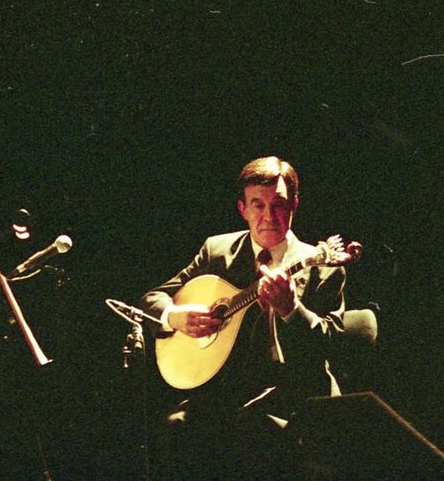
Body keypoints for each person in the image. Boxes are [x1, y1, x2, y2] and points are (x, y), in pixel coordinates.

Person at [141, 155, 347, 479]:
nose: (268, 216)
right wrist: (174, 316)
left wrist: (291, 308)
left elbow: (329, 344)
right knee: (172, 431)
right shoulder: (217, 251)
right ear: (243, 209)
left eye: (278, 204)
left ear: (294, 204)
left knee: (253, 436)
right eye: (258, 205)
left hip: (290, 397)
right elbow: (153, 299)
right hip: (225, 393)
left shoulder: (321, 267)